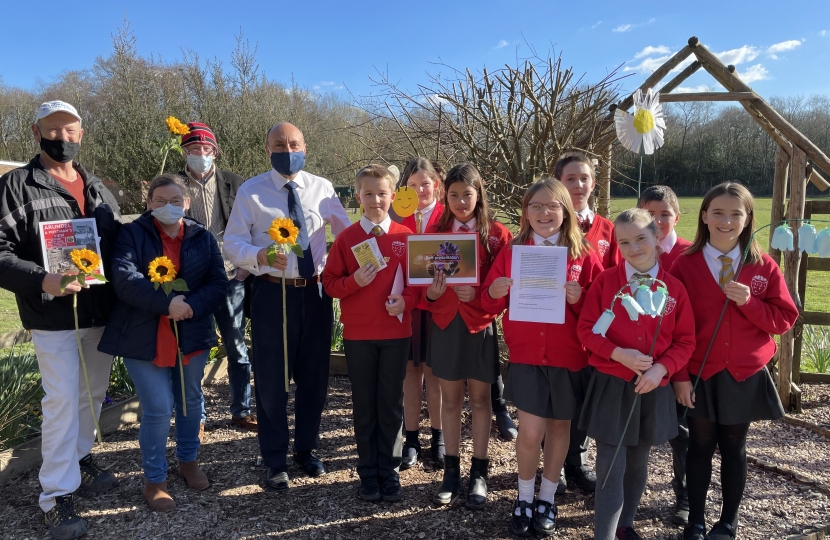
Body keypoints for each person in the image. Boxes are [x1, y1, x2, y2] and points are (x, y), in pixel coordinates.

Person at [0, 101, 121, 540]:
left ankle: (79, 458)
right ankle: (56, 495)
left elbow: (117, 243)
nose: (62, 138)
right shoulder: (16, 185)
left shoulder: (96, 188)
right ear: (36, 131)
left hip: (100, 311)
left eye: (70, 131)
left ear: (81, 134)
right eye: (53, 130)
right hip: (53, 317)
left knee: (92, 394)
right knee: (62, 402)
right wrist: (43, 279)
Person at [223, 122, 351, 491]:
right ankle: (275, 458)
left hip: (315, 294)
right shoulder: (251, 191)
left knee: (314, 379)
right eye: (280, 144)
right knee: (272, 381)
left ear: (305, 146)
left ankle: (307, 451)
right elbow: (232, 243)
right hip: (271, 294)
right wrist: (259, 255)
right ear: (268, 150)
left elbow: (346, 234)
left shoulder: (322, 188)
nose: (288, 148)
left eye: (294, 143)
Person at [670, 183, 798, 540]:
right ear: (705, 216)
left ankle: (728, 522)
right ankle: (695, 519)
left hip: (743, 373)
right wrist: (679, 376)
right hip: (699, 373)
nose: (726, 220)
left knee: (733, 446)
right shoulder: (685, 266)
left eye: (735, 214)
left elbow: (784, 319)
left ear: (747, 219)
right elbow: (671, 327)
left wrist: (750, 303)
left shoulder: (762, 266)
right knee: (698, 445)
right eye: (719, 213)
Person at [481, 179, 603, 536]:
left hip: (568, 358)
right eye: (536, 206)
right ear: (526, 212)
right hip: (528, 356)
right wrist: (493, 289)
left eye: (552, 206)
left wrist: (580, 298)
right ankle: (523, 497)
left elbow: (597, 314)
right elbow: (488, 304)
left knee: (559, 429)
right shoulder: (513, 251)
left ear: (565, 211)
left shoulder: (583, 254)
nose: (544, 213)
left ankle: (547, 498)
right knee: (530, 432)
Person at [98, 173, 226, 511]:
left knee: (189, 399)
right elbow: (124, 279)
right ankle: (154, 479)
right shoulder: (132, 233)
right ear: (149, 202)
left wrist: (190, 306)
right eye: (159, 201)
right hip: (143, 334)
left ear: (186, 203)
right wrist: (165, 303)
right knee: (156, 407)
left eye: (174, 201)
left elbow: (217, 283)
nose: (167, 207)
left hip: (191, 330)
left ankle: (188, 461)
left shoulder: (203, 236)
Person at [577, 208, 695, 540]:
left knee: (638, 460)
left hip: (652, 386)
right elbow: (586, 331)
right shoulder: (606, 282)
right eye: (625, 242)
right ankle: (604, 534)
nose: (634, 248)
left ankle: (625, 524)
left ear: (658, 236)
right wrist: (618, 354)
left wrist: (662, 369)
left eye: (641, 238)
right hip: (612, 385)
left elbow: (685, 341)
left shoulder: (674, 289)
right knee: (610, 466)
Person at [323, 164, 421, 501]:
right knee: (364, 405)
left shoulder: (406, 238)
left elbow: (418, 288)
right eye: (368, 194)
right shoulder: (347, 239)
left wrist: (405, 302)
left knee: (391, 403)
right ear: (357, 197)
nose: (375, 200)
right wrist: (354, 282)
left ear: (393, 196)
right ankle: (368, 473)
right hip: (358, 337)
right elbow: (329, 283)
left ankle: (389, 471)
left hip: (396, 334)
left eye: (382, 194)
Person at [424, 163, 512, 509]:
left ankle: (479, 472)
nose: (461, 202)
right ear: (445, 195)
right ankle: (451, 471)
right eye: (454, 195)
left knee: (480, 401)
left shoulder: (498, 235)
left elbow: (503, 291)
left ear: (480, 194)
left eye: (468, 194)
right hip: (446, 326)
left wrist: (478, 297)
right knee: (450, 401)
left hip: (479, 326)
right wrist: (432, 294)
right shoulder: (433, 234)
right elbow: (421, 292)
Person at [176, 122, 254, 433]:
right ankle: (198, 416)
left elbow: (254, 225)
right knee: (195, 348)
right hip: (192, 278)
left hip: (231, 274)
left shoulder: (235, 184)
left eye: (206, 150)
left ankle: (242, 409)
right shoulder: (174, 184)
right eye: (194, 150)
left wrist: (246, 266)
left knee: (236, 345)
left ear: (215, 152)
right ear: (185, 152)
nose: (201, 155)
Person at [555, 151, 620, 492]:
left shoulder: (608, 230)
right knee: (555, 404)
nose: (578, 185)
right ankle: (554, 465)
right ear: (559, 184)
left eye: (584, 178)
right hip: (554, 332)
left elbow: (617, 282)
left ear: (594, 183)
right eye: (570, 179)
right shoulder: (543, 225)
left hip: (592, 336)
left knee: (582, 404)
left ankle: (576, 464)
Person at [637, 184, 692, 525]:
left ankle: (683, 492)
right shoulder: (630, 249)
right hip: (636, 359)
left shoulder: (690, 254)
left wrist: (680, 373)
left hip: (679, 361)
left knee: (682, 433)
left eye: (664, 216)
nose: (657, 223)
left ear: (677, 217)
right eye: (649, 215)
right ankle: (624, 492)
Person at [399, 157, 446, 469]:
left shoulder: (447, 218)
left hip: (438, 307)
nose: (419, 190)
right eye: (412, 186)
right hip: (406, 308)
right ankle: (412, 437)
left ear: (437, 186)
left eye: (424, 184)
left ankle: (439, 436)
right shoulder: (397, 218)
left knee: (435, 375)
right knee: (410, 374)